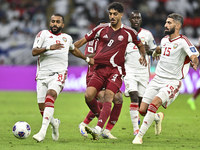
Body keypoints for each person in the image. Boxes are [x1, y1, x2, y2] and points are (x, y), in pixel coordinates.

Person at [74, 2, 147, 140]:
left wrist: (142, 55)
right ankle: (99, 117)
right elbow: (83, 41)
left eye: (115, 14)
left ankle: (99, 128)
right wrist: (72, 47)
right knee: (88, 96)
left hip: (116, 71)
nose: (112, 16)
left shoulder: (129, 32)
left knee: (110, 97)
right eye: (110, 14)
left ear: (121, 15)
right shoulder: (101, 29)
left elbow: (140, 44)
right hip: (99, 70)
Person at [132, 13, 199, 144]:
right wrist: (157, 50)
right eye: (166, 22)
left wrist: (194, 62)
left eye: (169, 23)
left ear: (177, 26)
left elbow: (194, 55)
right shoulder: (164, 40)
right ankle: (157, 117)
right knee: (142, 110)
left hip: (172, 82)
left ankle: (139, 136)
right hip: (157, 79)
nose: (165, 25)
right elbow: (162, 49)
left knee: (154, 104)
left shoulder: (183, 41)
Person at [32, 14, 94, 142]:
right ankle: (54, 123)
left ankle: (42, 133)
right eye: (53, 21)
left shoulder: (67, 38)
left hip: (59, 74)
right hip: (42, 75)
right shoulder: (43, 34)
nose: (54, 24)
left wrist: (86, 58)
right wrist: (49, 47)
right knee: (42, 109)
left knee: (51, 94)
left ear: (62, 25)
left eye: (58, 22)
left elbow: (73, 50)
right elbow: (34, 52)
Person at [78, 20, 123, 139]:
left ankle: (106, 130)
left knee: (118, 98)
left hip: (110, 72)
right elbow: (87, 56)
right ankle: (88, 123)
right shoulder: (93, 40)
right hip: (95, 73)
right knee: (103, 98)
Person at [124, 10, 157, 136]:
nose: (136, 20)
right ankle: (135, 130)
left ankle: (156, 117)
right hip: (129, 71)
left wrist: (150, 51)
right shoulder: (125, 34)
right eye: (133, 18)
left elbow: (155, 51)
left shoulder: (147, 34)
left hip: (143, 71)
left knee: (142, 105)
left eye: (138, 18)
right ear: (130, 20)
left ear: (141, 20)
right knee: (133, 96)